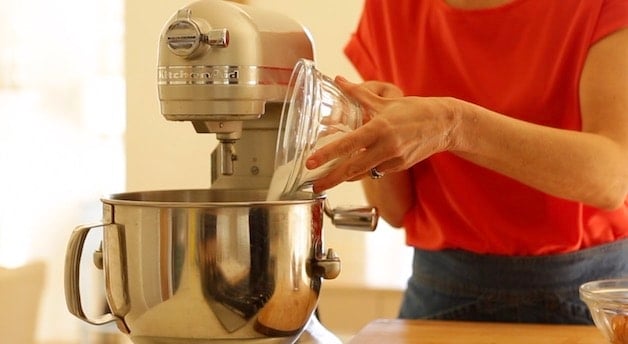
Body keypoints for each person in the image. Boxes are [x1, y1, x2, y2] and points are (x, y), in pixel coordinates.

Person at [304, 0, 628, 323]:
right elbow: (395, 210)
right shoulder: (389, 7)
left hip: (589, 297)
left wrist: (454, 125)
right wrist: (375, 126)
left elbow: (611, 180)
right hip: (439, 290)